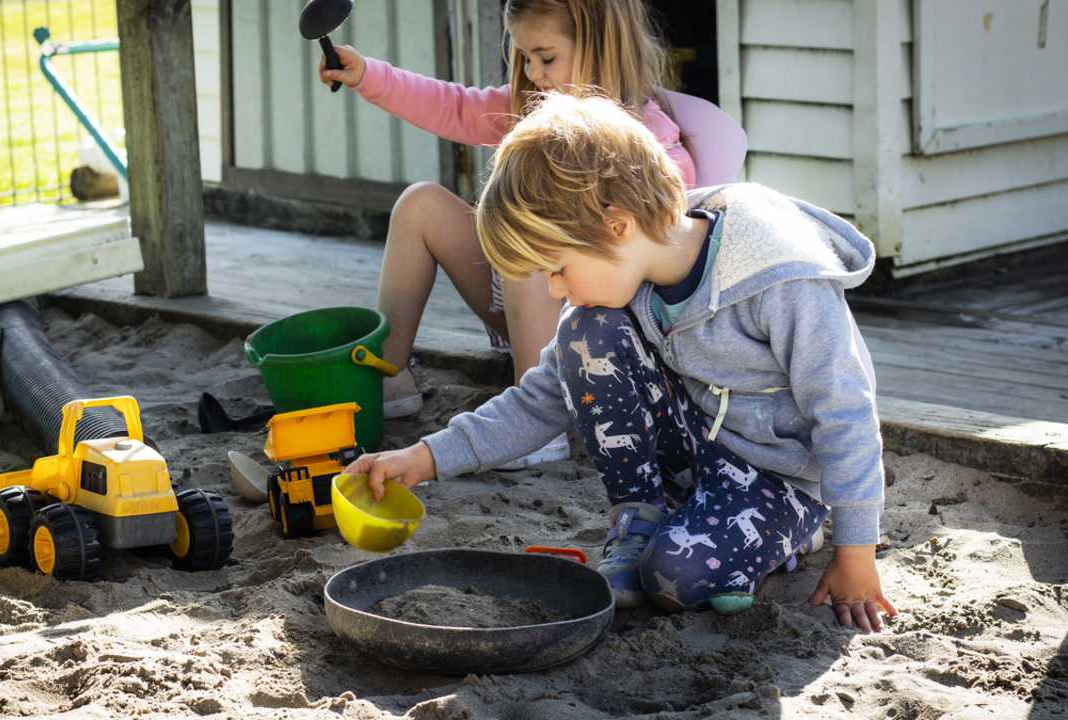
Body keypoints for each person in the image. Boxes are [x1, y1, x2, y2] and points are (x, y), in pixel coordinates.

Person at [344, 93, 897, 633]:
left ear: (617, 225)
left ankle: (798, 532)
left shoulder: (780, 277)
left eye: (557, 268)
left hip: (777, 478)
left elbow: (845, 410)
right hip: (695, 451)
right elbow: (543, 397)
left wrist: (857, 555)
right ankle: (641, 515)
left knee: (672, 578)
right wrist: (425, 457)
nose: (556, 290)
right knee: (586, 334)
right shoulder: (622, 281)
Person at [319, 0, 746, 469]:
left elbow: (665, 248)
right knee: (420, 204)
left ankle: (539, 434)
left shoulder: (642, 141)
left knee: (534, 241)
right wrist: (369, 76)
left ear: (600, 46)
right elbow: (454, 106)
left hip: (612, 328)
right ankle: (390, 374)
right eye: (523, 57)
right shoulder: (530, 110)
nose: (533, 72)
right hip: (528, 305)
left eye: (546, 57)